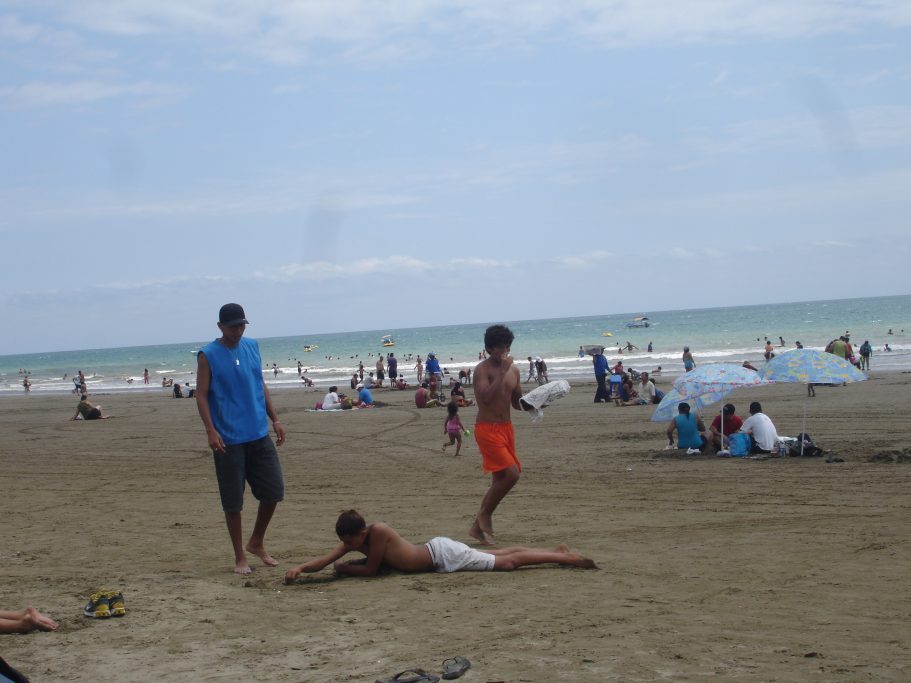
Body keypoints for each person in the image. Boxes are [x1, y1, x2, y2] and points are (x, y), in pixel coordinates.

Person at [196, 303, 286, 575]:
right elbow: (201, 395)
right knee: (233, 501)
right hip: (228, 439)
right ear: (220, 327)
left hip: (258, 433)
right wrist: (211, 430)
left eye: (241, 325)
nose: (238, 330)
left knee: (273, 491)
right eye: (233, 326)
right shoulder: (208, 355)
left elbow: (259, 384)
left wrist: (275, 418)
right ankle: (239, 557)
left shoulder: (252, 347)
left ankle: (256, 542)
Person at [284, 510, 595, 583]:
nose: (345, 547)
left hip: (440, 555)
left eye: (348, 542)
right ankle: (556, 551)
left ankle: (564, 558)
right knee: (501, 554)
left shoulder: (377, 533)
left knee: (508, 563)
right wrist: (300, 568)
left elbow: (372, 570)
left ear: (360, 533)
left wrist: (346, 569)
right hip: (438, 552)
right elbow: (327, 560)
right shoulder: (354, 541)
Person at [471, 324, 530, 546]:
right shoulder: (482, 370)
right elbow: (485, 397)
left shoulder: (514, 371)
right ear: (489, 348)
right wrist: (503, 371)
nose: (504, 351)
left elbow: (517, 403)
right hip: (487, 429)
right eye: (499, 347)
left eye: (507, 346)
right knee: (511, 474)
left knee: (500, 479)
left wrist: (535, 404)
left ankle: (477, 528)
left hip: (506, 428)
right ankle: (483, 516)